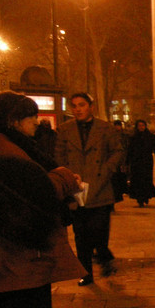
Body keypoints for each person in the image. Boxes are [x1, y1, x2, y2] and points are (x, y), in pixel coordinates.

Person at [0, 92, 85, 308]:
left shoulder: (6, 144)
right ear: (14, 120)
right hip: (13, 253)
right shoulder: (1, 148)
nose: (36, 123)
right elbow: (38, 190)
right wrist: (65, 179)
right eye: (31, 118)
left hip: (17, 250)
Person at [55, 92, 126, 285]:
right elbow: (59, 156)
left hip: (100, 186)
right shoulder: (64, 130)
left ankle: (103, 254)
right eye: (74, 106)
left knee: (99, 231)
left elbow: (118, 152)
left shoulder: (105, 129)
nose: (77, 109)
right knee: (80, 234)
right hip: (76, 188)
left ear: (90, 107)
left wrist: (108, 169)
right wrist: (67, 177)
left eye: (81, 105)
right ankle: (86, 273)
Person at [126, 119, 155, 207]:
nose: (141, 127)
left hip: (147, 161)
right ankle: (140, 199)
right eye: (139, 126)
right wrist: (127, 162)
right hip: (136, 162)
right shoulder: (133, 138)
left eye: (142, 125)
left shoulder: (151, 137)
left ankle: (146, 196)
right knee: (137, 180)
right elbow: (130, 150)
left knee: (146, 179)